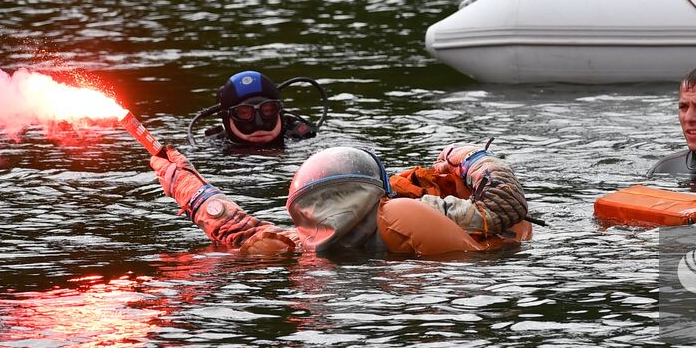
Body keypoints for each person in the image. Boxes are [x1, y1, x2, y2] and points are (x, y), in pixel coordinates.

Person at [148, 141, 530, 255]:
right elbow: (502, 208)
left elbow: (235, 226)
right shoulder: (402, 211)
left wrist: (180, 179)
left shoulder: (307, 239)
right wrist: (467, 156)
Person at [188, 70, 325, 149]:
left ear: (280, 112)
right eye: (244, 113)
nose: (259, 123)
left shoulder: (304, 139)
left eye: (268, 110)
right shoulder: (212, 147)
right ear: (226, 119)